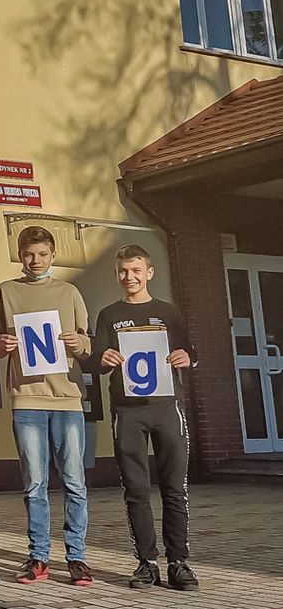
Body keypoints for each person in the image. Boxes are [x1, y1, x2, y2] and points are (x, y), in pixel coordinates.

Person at [0, 225, 93, 586]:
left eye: (43, 254)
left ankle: (77, 557)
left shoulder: (69, 291)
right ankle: (38, 557)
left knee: (75, 482)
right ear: (20, 255)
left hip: (67, 399)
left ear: (52, 255)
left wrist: (78, 343)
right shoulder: (6, 291)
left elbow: (88, 344)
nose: (36, 261)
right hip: (26, 398)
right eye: (29, 254)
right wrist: (1, 343)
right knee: (35, 483)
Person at [93, 244, 199, 591]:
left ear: (149, 272)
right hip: (127, 411)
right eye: (124, 271)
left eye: (136, 270)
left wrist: (187, 357)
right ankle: (146, 562)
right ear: (117, 274)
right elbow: (96, 358)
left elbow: (189, 350)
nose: (130, 277)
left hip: (167, 407)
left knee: (174, 488)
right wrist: (101, 357)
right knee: (136, 489)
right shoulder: (109, 314)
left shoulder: (168, 313)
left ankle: (179, 562)